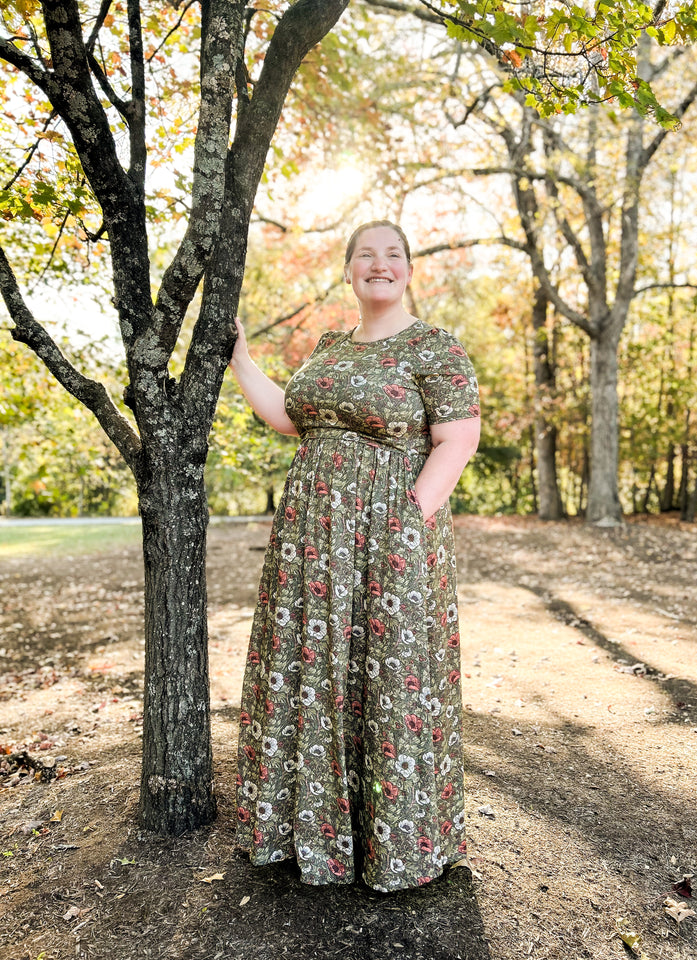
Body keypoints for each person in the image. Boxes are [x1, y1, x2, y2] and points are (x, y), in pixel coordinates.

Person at [230, 220, 481, 892]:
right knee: (310, 670)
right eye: (365, 254)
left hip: (389, 537)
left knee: (385, 674)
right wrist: (241, 360)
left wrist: (409, 516)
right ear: (348, 270)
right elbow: (291, 417)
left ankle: (390, 844)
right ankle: (304, 831)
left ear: (408, 269)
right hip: (310, 540)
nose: (380, 264)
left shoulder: (435, 347)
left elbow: (457, 438)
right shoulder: (329, 346)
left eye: (393, 254)